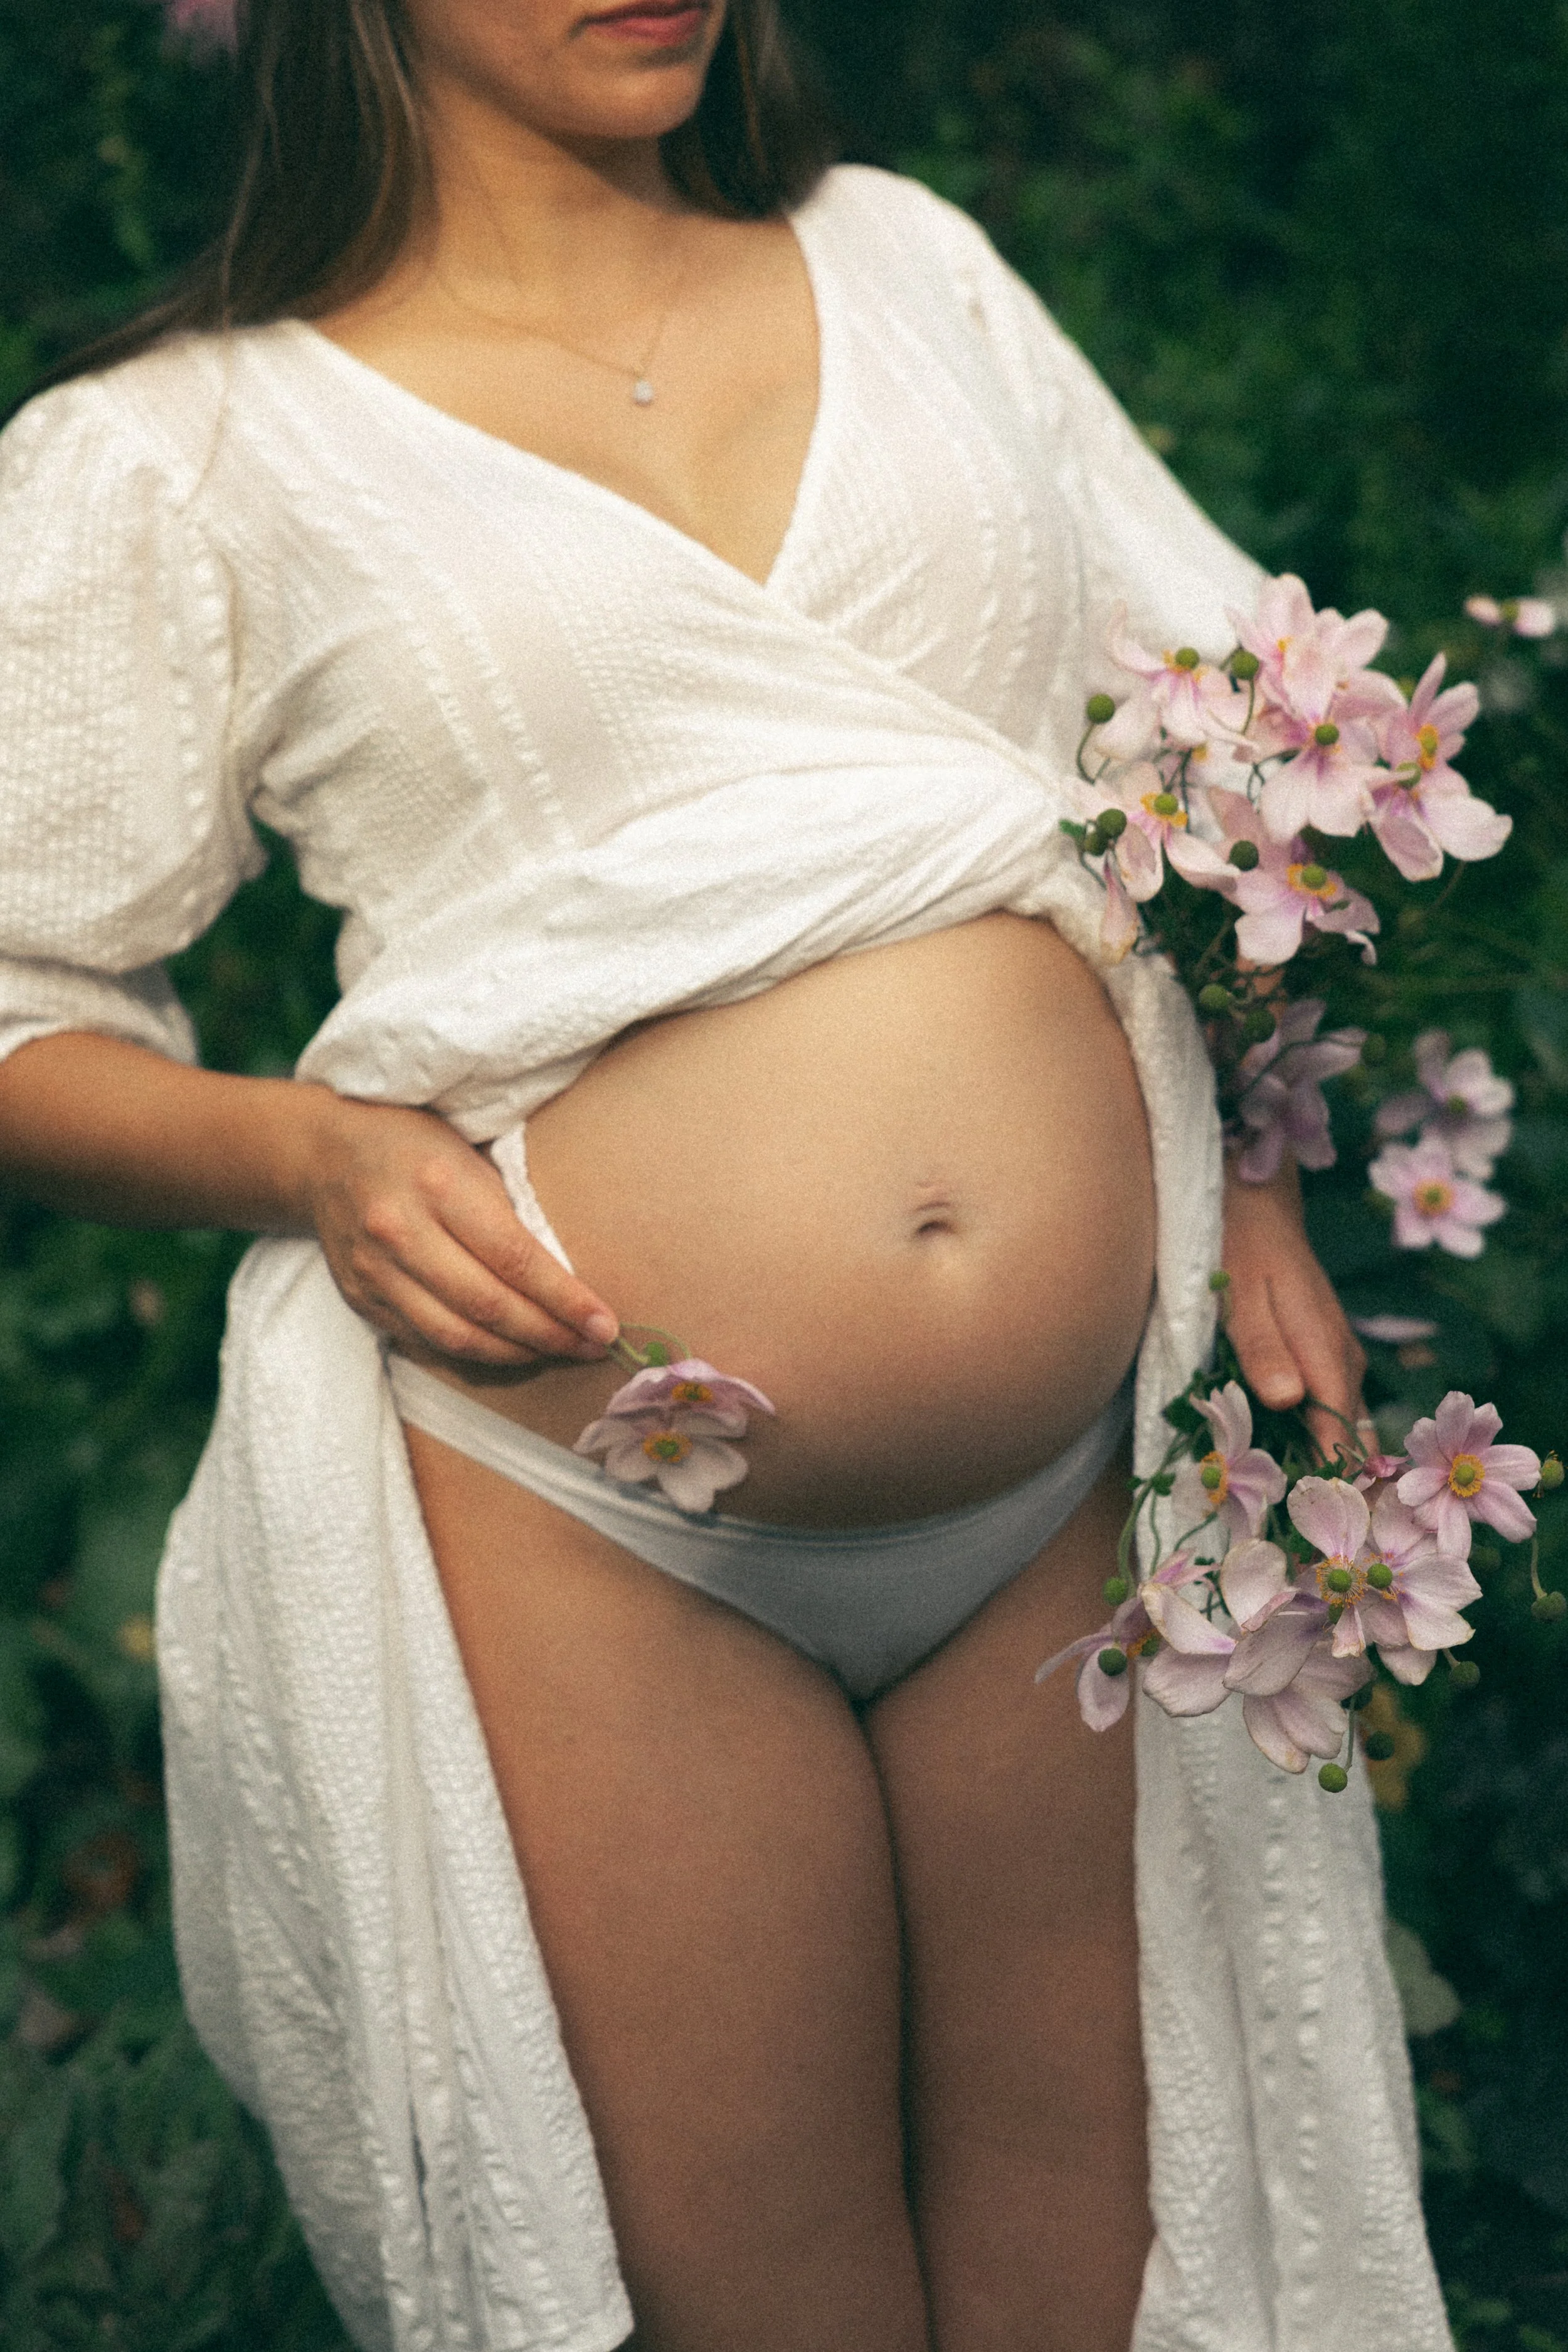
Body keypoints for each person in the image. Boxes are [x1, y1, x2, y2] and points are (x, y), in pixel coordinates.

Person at [0, 3, 1451, 2347]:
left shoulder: (906, 265)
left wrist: (1258, 1164)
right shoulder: (183, 447)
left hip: (1068, 1498)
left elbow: (1233, 734)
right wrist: (310, 1151)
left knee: (1108, 2281)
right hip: (597, 1524)